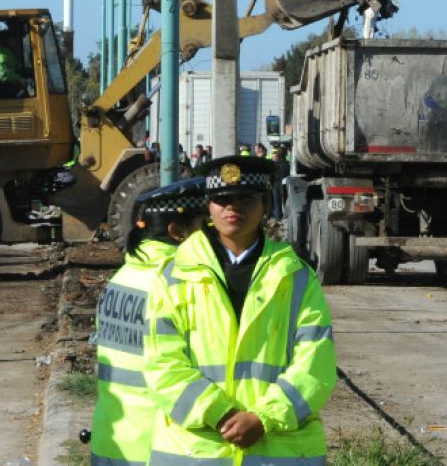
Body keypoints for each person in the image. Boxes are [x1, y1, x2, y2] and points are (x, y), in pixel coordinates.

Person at [143, 155, 336, 465]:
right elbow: (162, 364)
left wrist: (264, 418)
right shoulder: (174, 275)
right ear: (208, 206)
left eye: (245, 198)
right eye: (222, 199)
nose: (233, 207)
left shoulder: (297, 277)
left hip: (277, 452)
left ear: (265, 205)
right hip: (196, 453)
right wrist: (221, 414)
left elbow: (316, 364)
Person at [90, 177, 207, 465]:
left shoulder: (120, 279)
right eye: (203, 227)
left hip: (111, 441)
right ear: (176, 231)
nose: (209, 237)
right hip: (156, 446)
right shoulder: (178, 283)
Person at [0, 29, 25, 98]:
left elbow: (15, 67)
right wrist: (19, 79)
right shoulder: (0, 54)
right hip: (2, 86)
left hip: (8, 83)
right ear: (5, 40)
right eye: (12, 38)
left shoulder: (7, 52)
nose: (15, 40)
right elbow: (2, 74)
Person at [272, 145, 289, 221]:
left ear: (278, 155)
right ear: (285, 154)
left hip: (275, 185)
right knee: (285, 202)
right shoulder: (288, 164)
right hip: (285, 185)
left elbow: (271, 176)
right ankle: (286, 217)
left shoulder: (274, 164)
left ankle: (278, 219)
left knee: (277, 203)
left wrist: (271, 183)